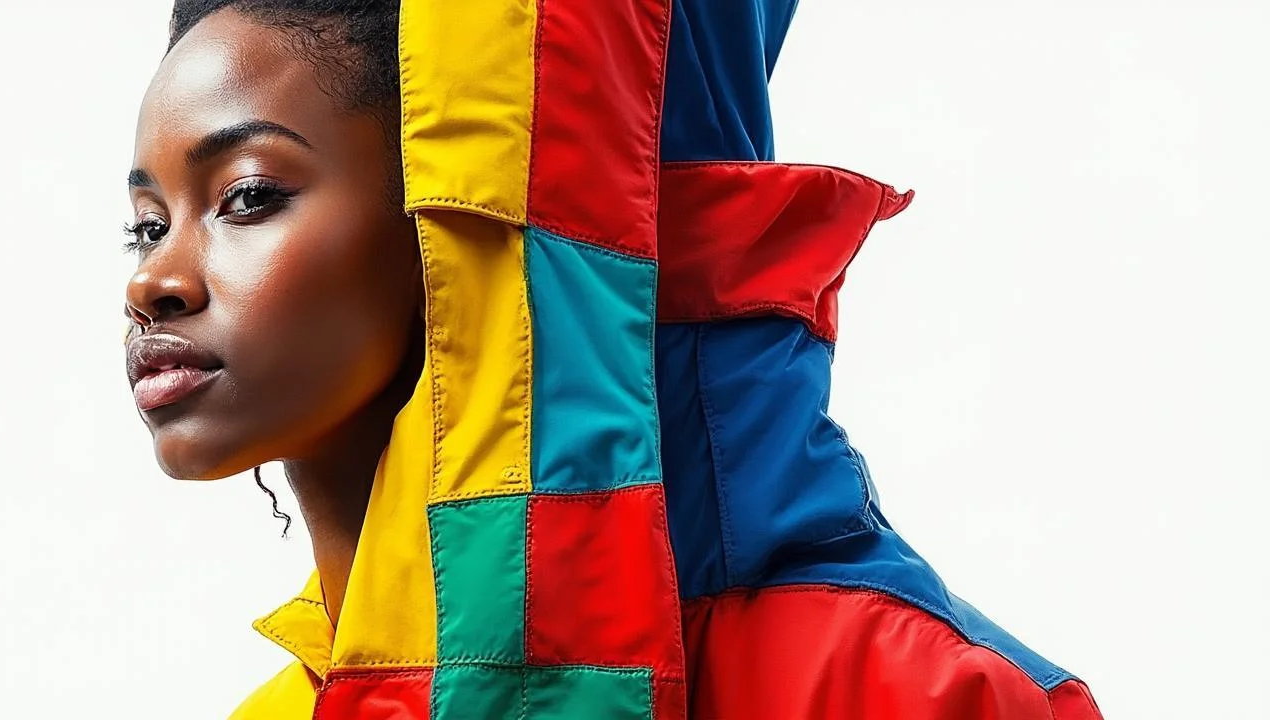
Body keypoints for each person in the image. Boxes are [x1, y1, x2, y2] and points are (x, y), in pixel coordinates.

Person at [122, 1, 1103, 717]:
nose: (153, 281)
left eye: (247, 196)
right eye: (147, 224)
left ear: (449, 224)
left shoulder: (899, 690)